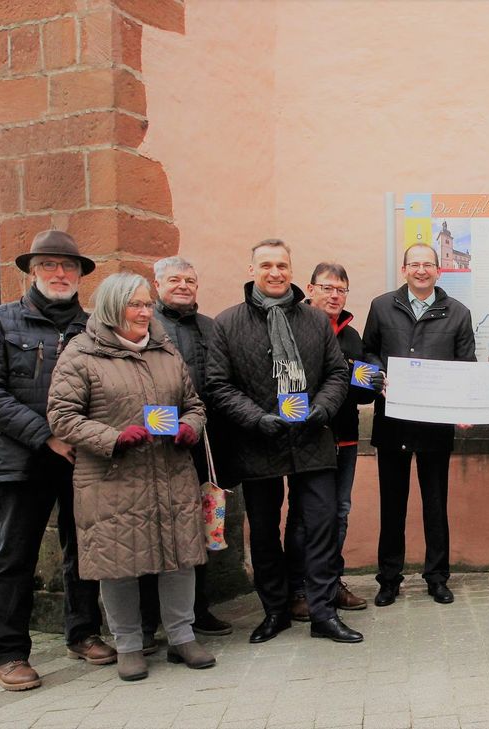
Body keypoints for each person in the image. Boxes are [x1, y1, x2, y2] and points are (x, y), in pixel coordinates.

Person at [46, 273, 215, 681]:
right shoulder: (81, 353)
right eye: (135, 305)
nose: (144, 312)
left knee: (180, 558)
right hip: (112, 476)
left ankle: (182, 637)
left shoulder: (165, 349)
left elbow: (194, 404)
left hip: (170, 471)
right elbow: (62, 416)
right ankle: (128, 644)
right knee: (117, 563)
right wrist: (114, 437)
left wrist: (189, 427)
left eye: (147, 304)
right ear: (111, 308)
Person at [0, 230, 115, 691]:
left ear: (80, 275)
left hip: (81, 459)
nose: (59, 273)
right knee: (14, 556)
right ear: (32, 272)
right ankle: (9, 652)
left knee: (85, 550)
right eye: (49, 265)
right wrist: (46, 435)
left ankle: (83, 632)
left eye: (68, 266)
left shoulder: (94, 328)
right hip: (23, 458)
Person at [204, 239, 360, 644]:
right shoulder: (227, 323)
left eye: (282, 265)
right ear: (252, 270)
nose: (275, 272)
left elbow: (337, 374)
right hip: (259, 442)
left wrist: (322, 409)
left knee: (321, 526)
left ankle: (323, 614)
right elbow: (218, 385)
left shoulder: (314, 321)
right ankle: (275, 611)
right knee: (264, 532)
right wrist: (257, 419)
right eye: (267, 265)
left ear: (292, 271)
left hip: (313, 439)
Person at [362, 243, 476, 607]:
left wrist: (465, 407)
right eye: (415, 264)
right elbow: (367, 351)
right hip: (392, 421)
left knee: (435, 504)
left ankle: (437, 578)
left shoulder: (458, 313)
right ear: (404, 269)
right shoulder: (382, 306)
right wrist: (379, 374)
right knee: (392, 505)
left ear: (439, 270)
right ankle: (389, 579)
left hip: (435, 424)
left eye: (428, 264)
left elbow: (467, 365)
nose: (421, 270)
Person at [136, 257, 233, 648]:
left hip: (203, 440)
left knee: (200, 525)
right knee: (151, 529)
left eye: (190, 280)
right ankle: (146, 621)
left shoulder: (210, 327)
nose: (183, 286)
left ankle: (196, 609)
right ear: (157, 284)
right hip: (154, 444)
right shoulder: (146, 324)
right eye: (174, 279)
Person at [286, 262, 374, 619]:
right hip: (307, 437)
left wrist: (373, 381)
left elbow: (363, 394)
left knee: (339, 513)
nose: (335, 295)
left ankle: (330, 583)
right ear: (310, 289)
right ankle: (298, 589)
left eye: (341, 289)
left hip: (345, 438)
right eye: (327, 288)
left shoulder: (351, 336)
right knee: (303, 516)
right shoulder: (292, 327)